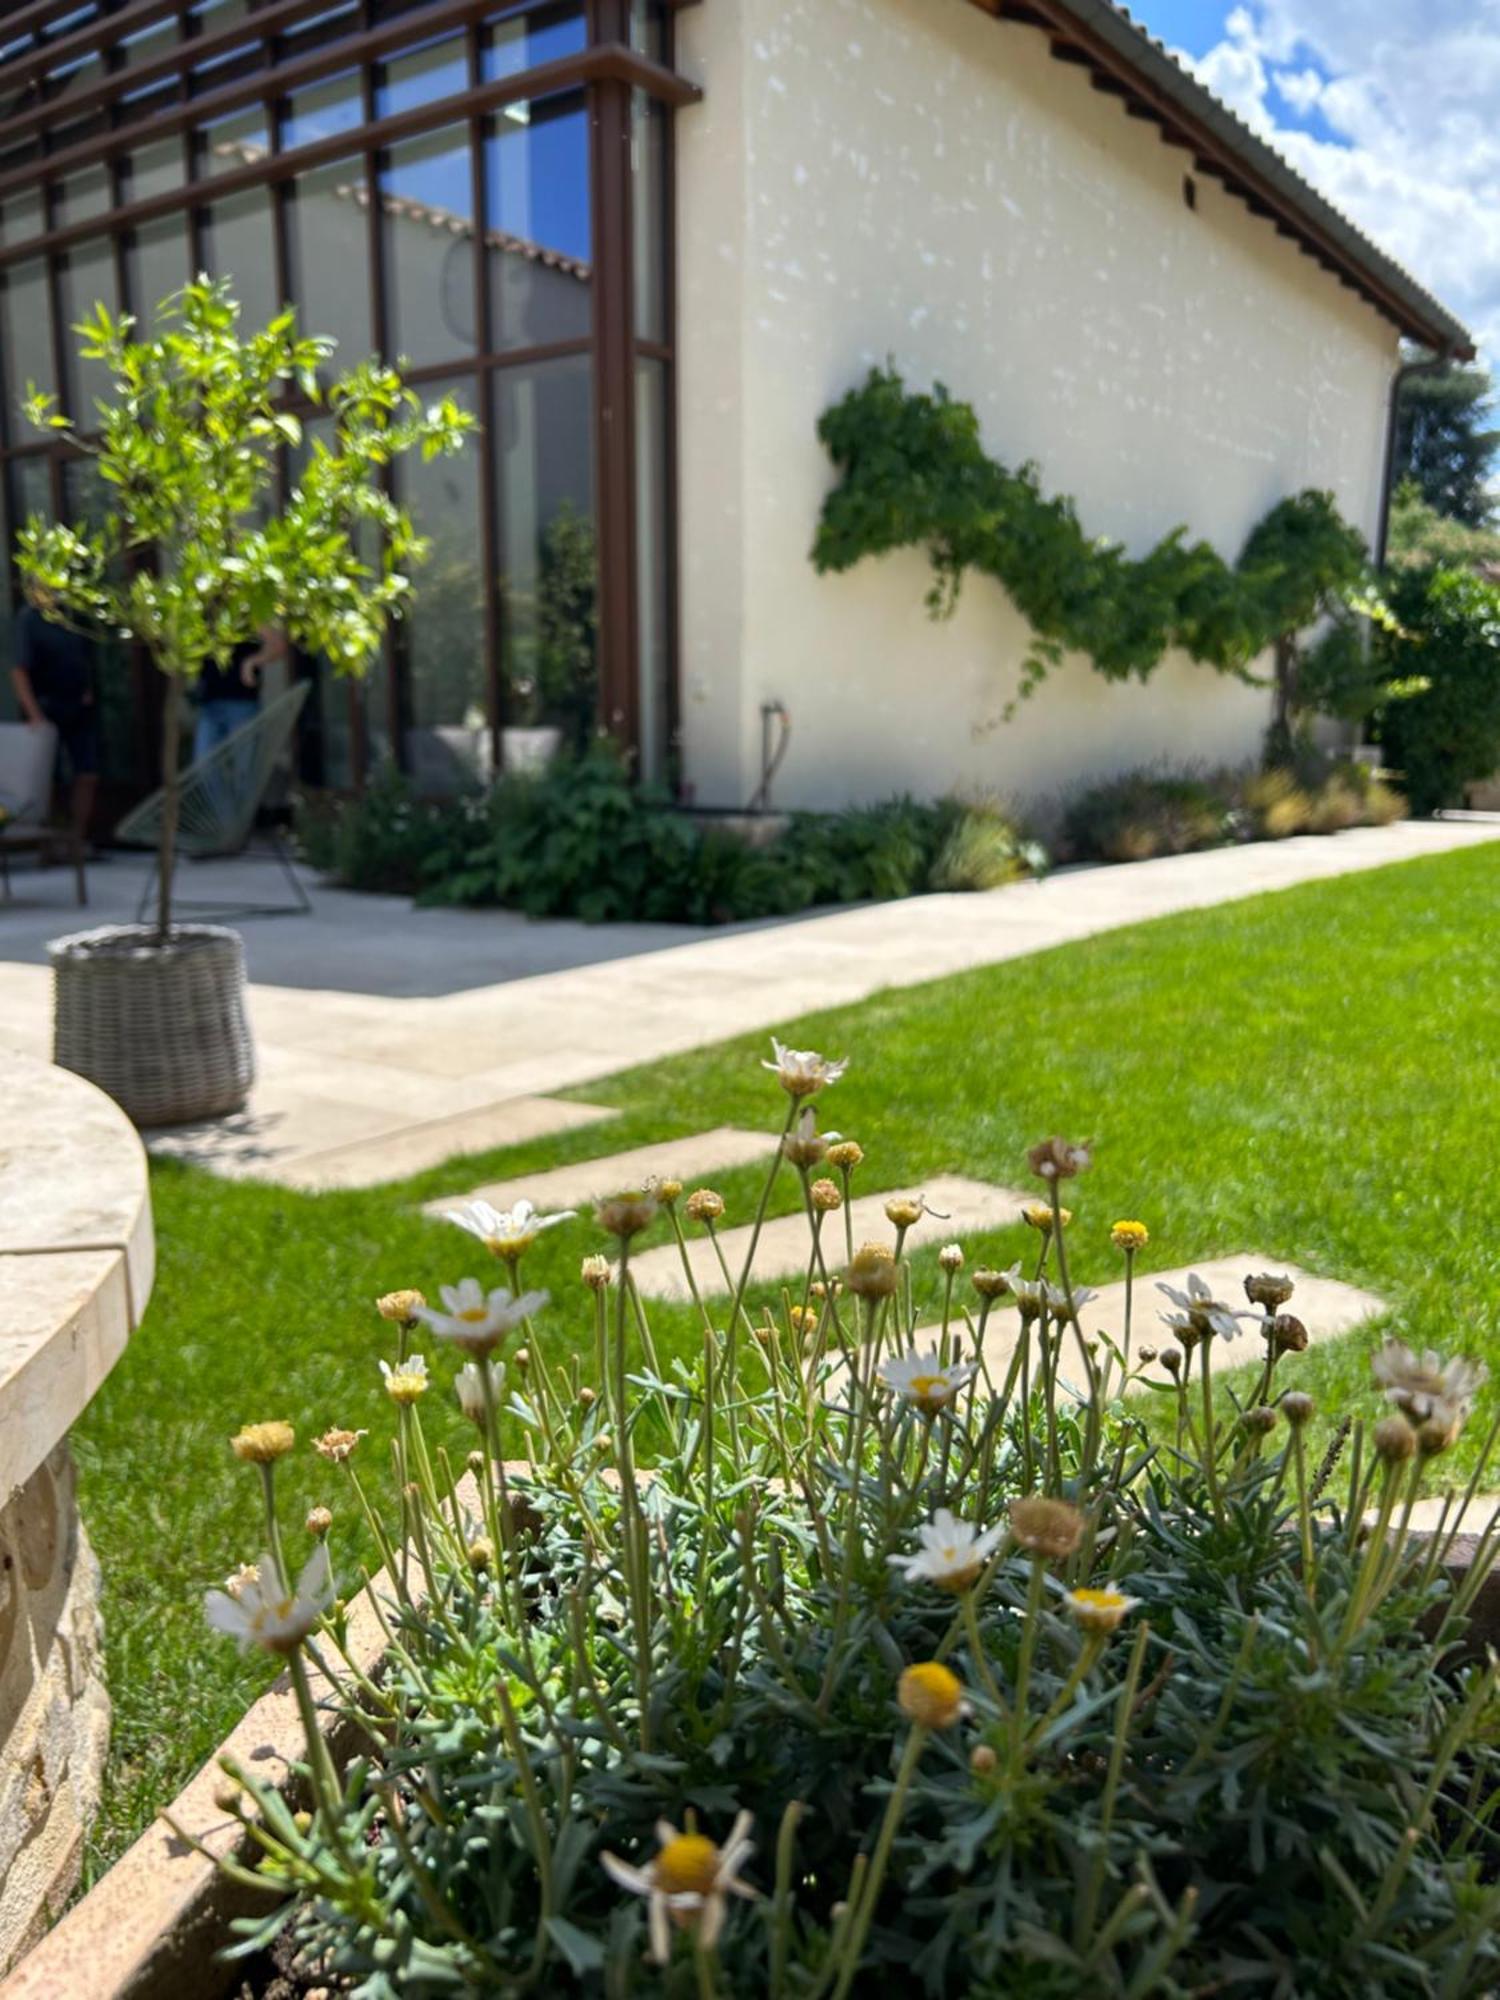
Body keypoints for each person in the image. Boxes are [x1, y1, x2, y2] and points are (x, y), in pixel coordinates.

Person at [10, 581, 98, 849]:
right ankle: (47, 845)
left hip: (78, 709)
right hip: (46, 710)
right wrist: (34, 714)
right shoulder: (28, 620)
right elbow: (18, 671)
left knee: (88, 771)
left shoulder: (71, 616)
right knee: (47, 777)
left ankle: (76, 838)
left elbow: (85, 657)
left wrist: (88, 689)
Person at [193, 624, 286, 763]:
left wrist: (252, 662)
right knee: (203, 765)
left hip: (241, 702)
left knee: (244, 766)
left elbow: (278, 646)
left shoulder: (246, 615)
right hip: (210, 703)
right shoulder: (203, 614)